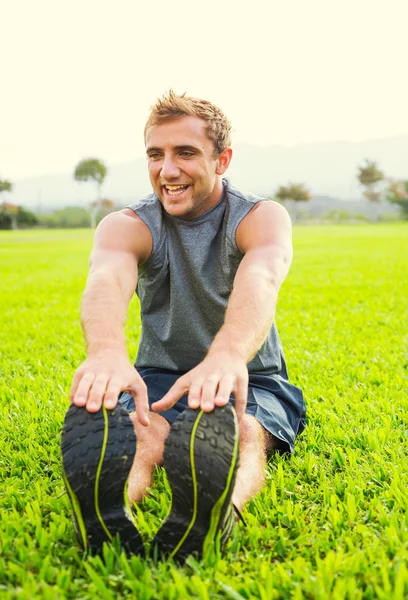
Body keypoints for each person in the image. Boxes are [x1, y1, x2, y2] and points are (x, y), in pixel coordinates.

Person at [61, 90, 306, 562]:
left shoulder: (259, 217)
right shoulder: (127, 225)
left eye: (185, 153)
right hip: (160, 375)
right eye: (156, 154)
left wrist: (228, 354)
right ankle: (108, 518)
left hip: (250, 376)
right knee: (143, 432)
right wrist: (107, 351)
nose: (167, 170)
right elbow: (107, 278)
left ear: (223, 159)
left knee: (245, 431)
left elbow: (262, 277)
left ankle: (218, 515)